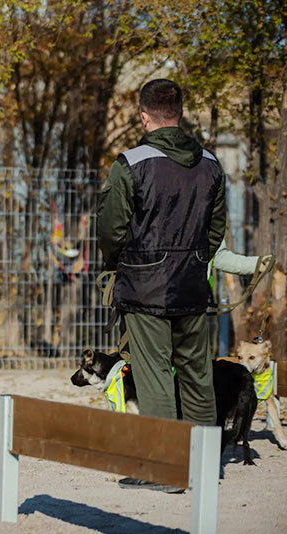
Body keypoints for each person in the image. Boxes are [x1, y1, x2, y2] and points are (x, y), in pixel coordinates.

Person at [97, 79, 226, 491]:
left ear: (144, 115)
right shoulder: (211, 163)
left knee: (153, 376)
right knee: (197, 374)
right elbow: (216, 228)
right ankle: (204, 467)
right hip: (192, 286)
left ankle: (166, 470)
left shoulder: (131, 162)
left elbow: (112, 229)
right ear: (181, 113)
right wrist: (196, 261)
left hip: (145, 288)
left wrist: (120, 264)